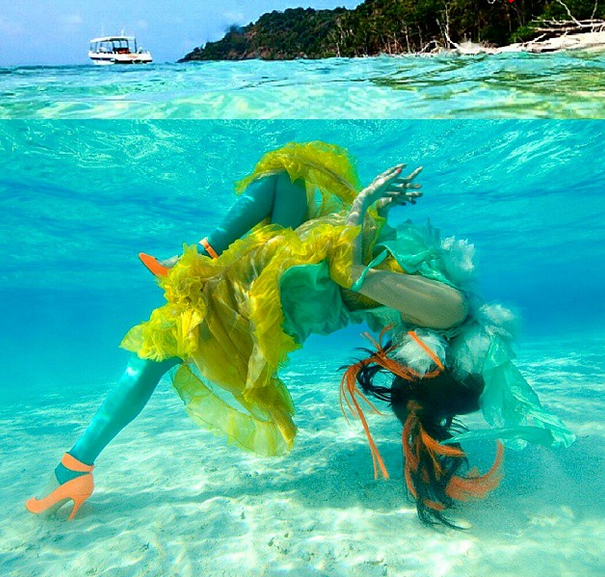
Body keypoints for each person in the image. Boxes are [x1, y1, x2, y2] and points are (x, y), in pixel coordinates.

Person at [25, 141, 574, 526]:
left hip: (293, 295)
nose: (403, 367)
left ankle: (75, 466)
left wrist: (363, 203)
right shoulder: (441, 326)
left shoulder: (449, 312)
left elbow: (353, 274)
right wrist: (371, 212)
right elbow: (368, 277)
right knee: (286, 174)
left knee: (161, 346)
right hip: (303, 278)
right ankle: (194, 260)